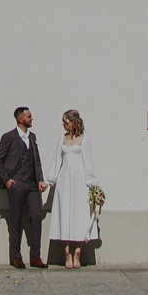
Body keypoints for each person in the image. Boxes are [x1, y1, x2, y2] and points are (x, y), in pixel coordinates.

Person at [0, 104, 47, 269]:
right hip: (16, 184)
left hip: (31, 185)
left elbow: (36, 161)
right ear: (20, 119)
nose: (32, 119)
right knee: (15, 220)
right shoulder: (9, 137)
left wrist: (40, 180)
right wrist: (6, 180)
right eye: (29, 116)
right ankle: (16, 256)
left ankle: (35, 257)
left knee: (36, 218)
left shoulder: (32, 137)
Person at [46, 108, 98, 268]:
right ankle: (67, 254)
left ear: (73, 122)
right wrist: (49, 181)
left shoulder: (85, 138)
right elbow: (56, 161)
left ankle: (77, 253)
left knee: (78, 215)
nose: (63, 125)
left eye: (66, 122)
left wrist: (92, 184)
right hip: (64, 181)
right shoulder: (61, 138)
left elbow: (88, 162)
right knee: (65, 214)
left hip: (79, 181)